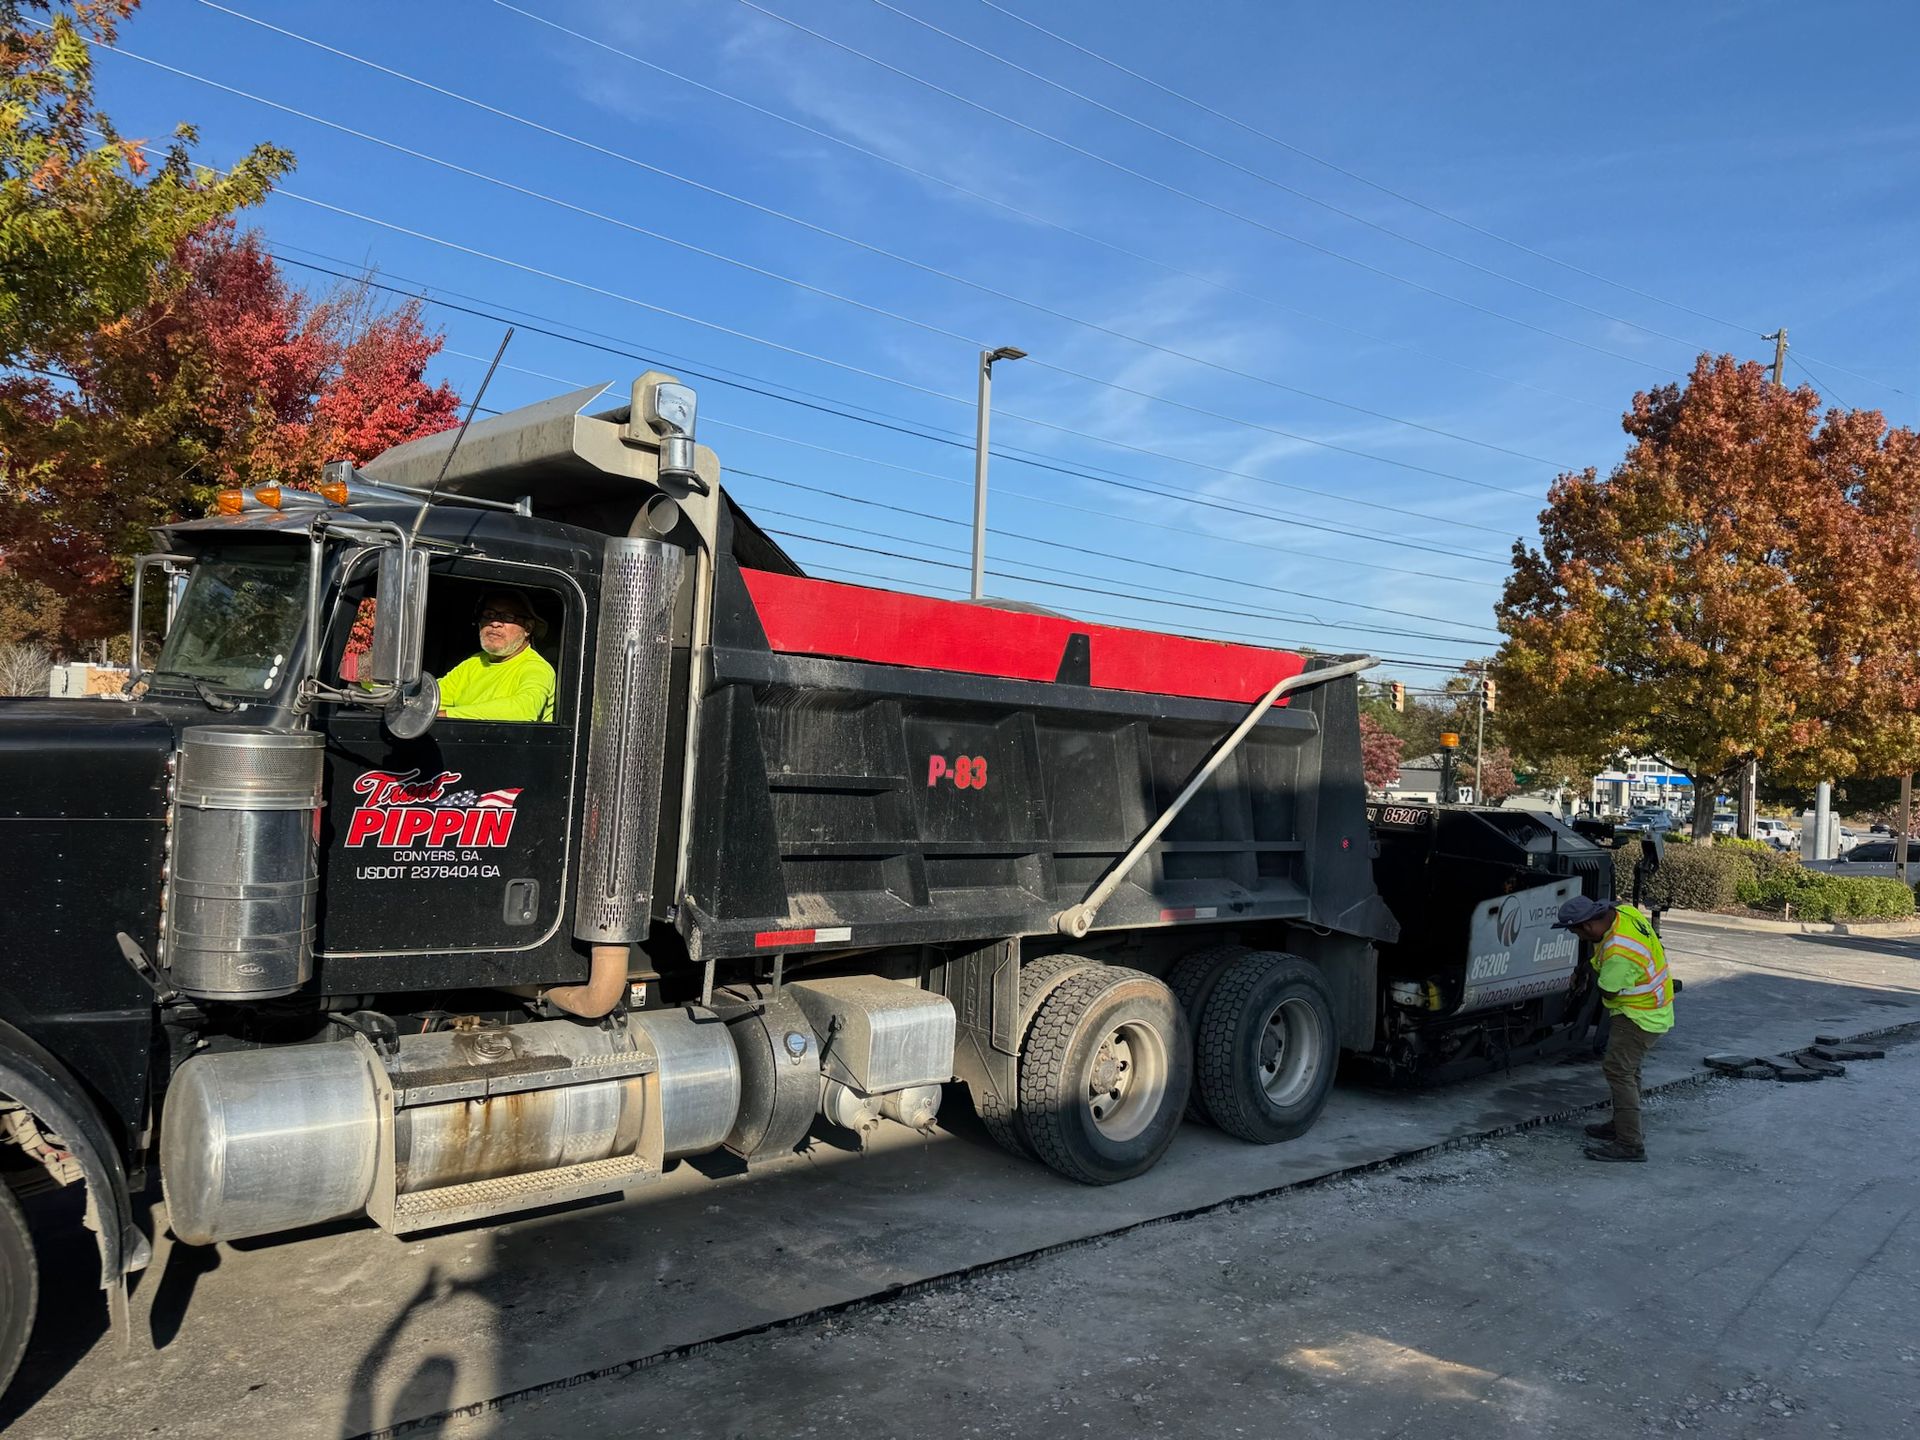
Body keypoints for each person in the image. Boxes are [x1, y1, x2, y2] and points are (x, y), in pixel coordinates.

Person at [1554, 893, 1674, 1162]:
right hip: (1655, 1007)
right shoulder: (1625, 914)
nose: (1580, 939)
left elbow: (1608, 993)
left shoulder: (1619, 954)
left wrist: (1588, 975)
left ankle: (1630, 1144)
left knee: (1619, 1071)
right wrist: (1587, 967)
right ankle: (1623, 1124)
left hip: (1639, 1016)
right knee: (1629, 1070)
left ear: (1587, 926)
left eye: (1577, 934)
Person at [437, 589, 555, 722]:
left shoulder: (537, 668)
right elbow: (434, 698)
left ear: (527, 628)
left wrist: (446, 715)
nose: (495, 623)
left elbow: (523, 710)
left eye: (508, 617)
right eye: (489, 614)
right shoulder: (473, 662)